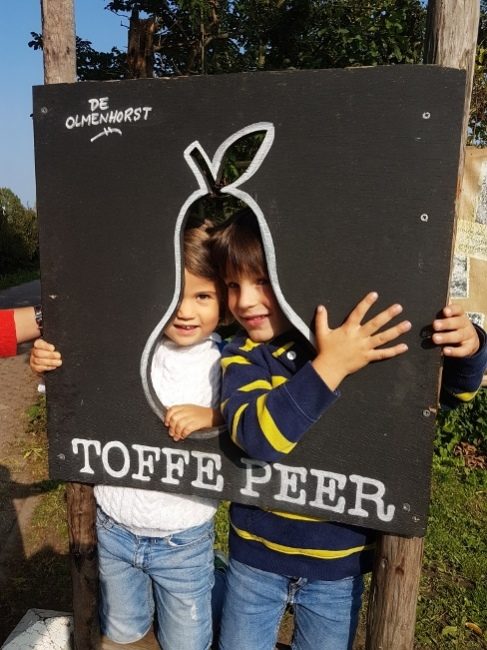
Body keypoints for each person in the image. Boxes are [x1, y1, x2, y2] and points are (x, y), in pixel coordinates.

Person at [209, 210, 487, 650]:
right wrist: (331, 366)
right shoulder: (243, 355)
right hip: (256, 557)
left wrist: (468, 348)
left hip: (338, 565)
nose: (244, 301)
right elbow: (257, 436)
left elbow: (447, 397)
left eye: (262, 281)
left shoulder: (352, 342)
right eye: (232, 285)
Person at [30, 225, 226, 650]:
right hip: (115, 528)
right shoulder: (127, 347)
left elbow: (254, 416)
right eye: (173, 295)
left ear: (223, 300)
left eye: (202, 296)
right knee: (122, 633)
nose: (184, 311)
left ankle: (217, 578)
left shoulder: (225, 363)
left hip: (183, 538)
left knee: (186, 642)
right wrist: (47, 363)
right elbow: (75, 385)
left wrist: (216, 415)